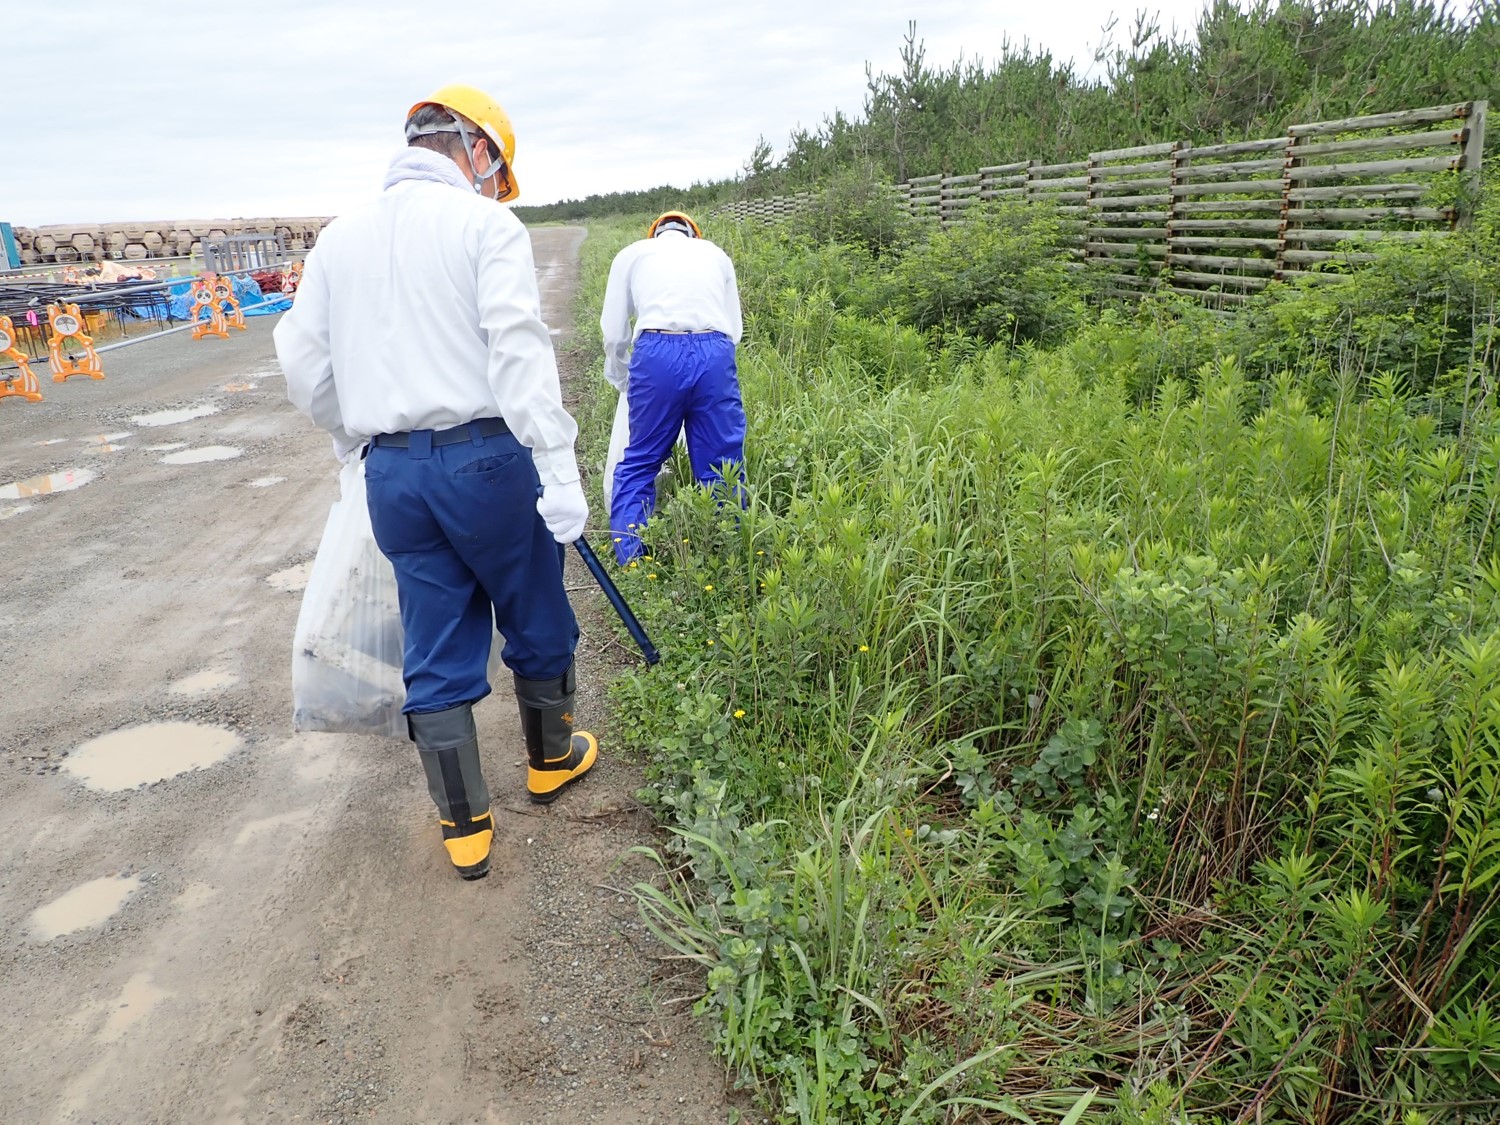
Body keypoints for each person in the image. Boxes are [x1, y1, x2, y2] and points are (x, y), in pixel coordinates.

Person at [274, 84, 597, 882]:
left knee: (436, 631)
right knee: (534, 605)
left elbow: (303, 365)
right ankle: (550, 760)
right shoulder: (486, 226)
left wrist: (356, 441)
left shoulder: (339, 241)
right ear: (478, 150)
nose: (493, 186)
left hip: (395, 474)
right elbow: (519, 355)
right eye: (496, 170)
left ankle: (465, 827)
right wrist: (558, 471)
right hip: (488, 457)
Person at [600, 211, 745, 564]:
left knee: (641, 459)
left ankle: (633, 560)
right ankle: (727, 557)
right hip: (715, 350)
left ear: (654, 234)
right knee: (722, 461)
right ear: (693, 234)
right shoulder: (716, 254)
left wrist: (623, 379)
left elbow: (614, 332)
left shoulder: (632, 254)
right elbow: (734, 330)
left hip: (657, 351)